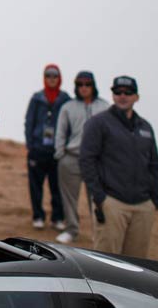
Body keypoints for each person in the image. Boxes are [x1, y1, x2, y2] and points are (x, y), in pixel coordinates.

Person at [79, 75, 158, 258]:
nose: (123, 96)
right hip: (112, 203)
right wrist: (100, 198)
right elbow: (86, 160)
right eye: (118, 92)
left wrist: (154, 200)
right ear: (113, 95)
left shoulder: (145, 127)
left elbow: (154, 164)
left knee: (137, 267)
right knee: (105, 265)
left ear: (136, 97)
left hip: (143, 206)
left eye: (128, 92)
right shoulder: (98, 123)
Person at [53, 70, 107, 243]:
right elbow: (60, 132)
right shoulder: (68, 107)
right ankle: (71, 229)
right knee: (69, 197)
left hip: (97, 160)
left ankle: (98, 230)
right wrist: (60, 154)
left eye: (87, 84)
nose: (84, 88)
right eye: (80, 84)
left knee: (98, 196)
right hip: (72, 157)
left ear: (93, 86)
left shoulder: (105, 107)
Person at [25, 63, 70, 231]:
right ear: (44, 78)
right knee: (36, 187)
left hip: (57, 151)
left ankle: (57, 217)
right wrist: (30, 145)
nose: (52, 79)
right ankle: (38, 216)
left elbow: (69, 124)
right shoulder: (37, 98)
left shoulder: (66, 100)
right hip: (37, 150)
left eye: (55, 76)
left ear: (59, 78)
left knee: (57, 187)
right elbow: (29, 122)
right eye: (48, 75)